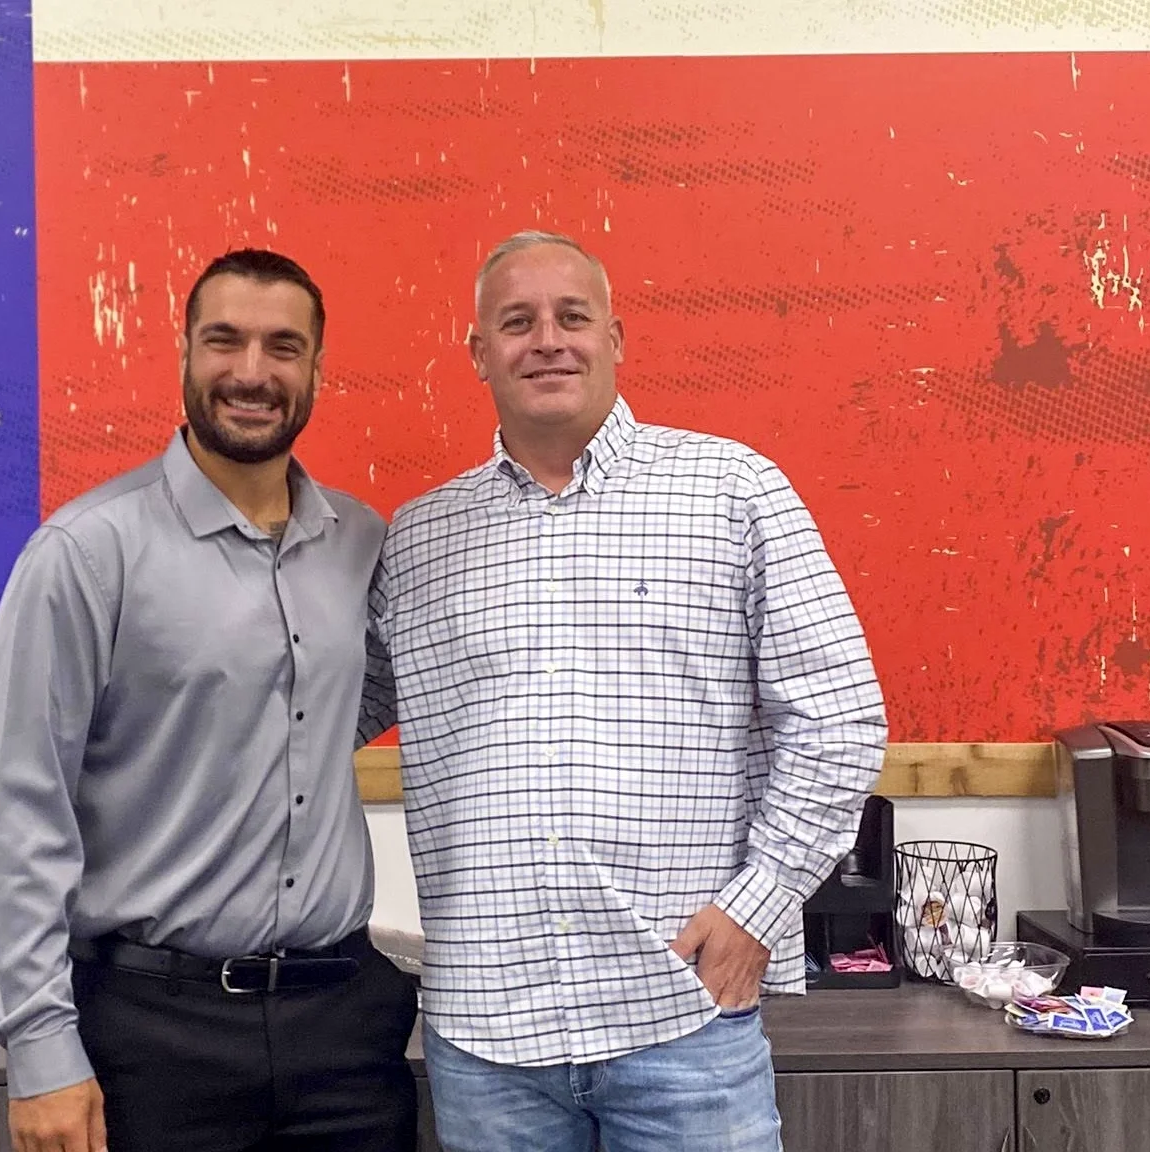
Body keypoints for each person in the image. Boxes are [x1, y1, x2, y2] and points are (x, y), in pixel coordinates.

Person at [358, 231, 887, 1152]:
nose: (548, 340)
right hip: (489, 1044)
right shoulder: (419, 540)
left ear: (617, 336)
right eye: (516, 322)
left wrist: (759, 908)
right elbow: (317, 713)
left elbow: (838, 716)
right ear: (479, 352)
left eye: (573, 316)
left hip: (680, 1021)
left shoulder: (733, 492)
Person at [0, 248, 419, 1152]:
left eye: (283, 347)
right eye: (226, 341)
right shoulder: (87, 553)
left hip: (344, 1025)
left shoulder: (362, 542)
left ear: (316, 371)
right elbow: (22, 813)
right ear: (184, 354)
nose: (253, 372)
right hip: (151, 1032)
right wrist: (40, 1046)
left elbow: (335, 711)